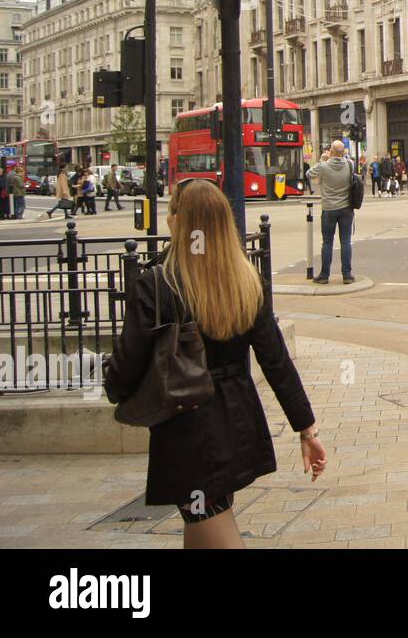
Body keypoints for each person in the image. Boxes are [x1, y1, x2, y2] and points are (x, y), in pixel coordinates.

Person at [104, 178, 325, 548]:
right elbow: (276, 361)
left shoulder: (158, 284)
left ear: (178, 221)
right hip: (238, 423)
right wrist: (306, 428)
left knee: (210, 522)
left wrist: (115, 389)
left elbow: (125, 367)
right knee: (201, 523)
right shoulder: (245, 281)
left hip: (188, 431)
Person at [308, 141, 356, 285]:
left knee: (327, 242)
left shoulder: (324, 166)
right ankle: (347, 275)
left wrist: (323, 159)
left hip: (329, 208)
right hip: (347, 208)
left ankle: (324, 275)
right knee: (346, 241)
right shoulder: (350, 164)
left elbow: (309, 173)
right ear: (343, 152)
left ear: (331, 151)